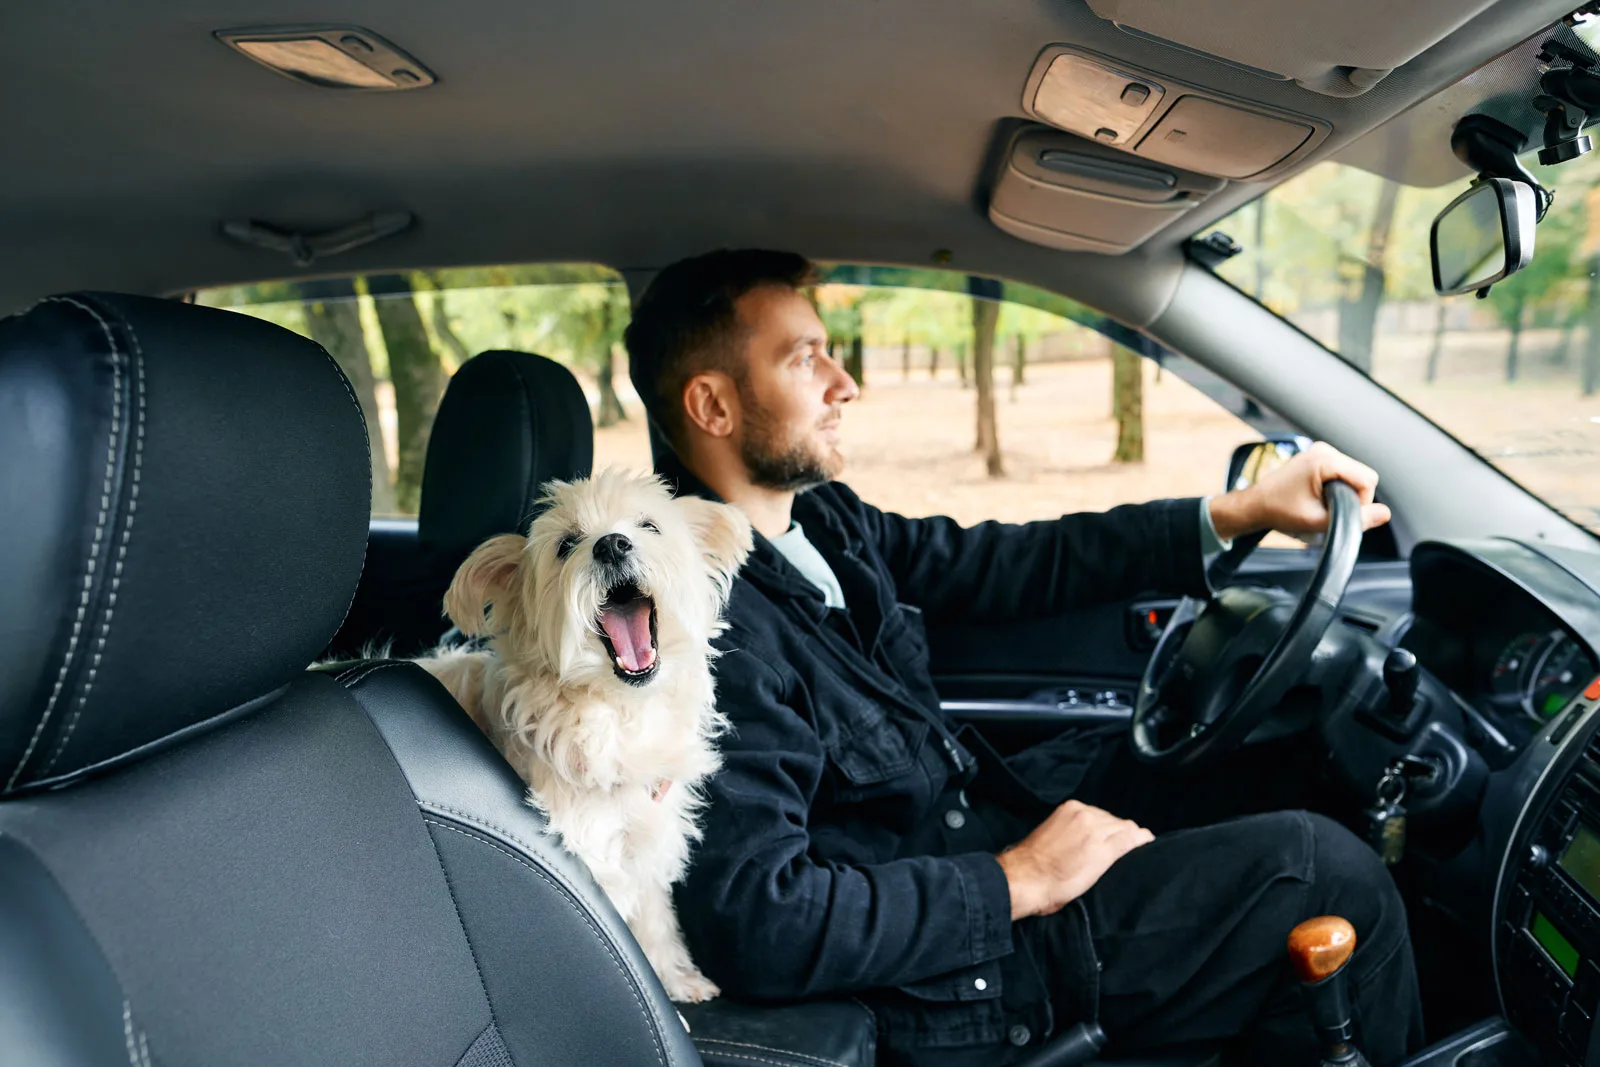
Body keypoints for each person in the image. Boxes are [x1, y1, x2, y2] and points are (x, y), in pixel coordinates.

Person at [623, 249, 1425, 1066]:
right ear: (713, 404)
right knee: (1328, 875)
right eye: (805, 358)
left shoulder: (822, 524)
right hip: (950, 973)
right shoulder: (701, 625)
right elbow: (761, 920)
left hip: (970, 832)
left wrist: (1239, 510)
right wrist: (1018, 879)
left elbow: (1003, 562)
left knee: (1266, 760)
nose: (845, 382)